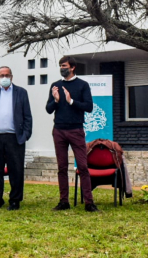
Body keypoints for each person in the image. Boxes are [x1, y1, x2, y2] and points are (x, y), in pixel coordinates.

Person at [47, 56, 99, 212]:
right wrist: (56, 100)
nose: (62, 68)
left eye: (64, 65)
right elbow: (48, 109)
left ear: (72, 67)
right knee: (62, 167)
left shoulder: (82, 85)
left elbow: (89, 107)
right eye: (60, 66)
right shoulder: (55, 85)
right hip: (59, 130)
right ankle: (64, 201)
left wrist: (71, 101)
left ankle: (89, 202)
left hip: (76, 130)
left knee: (83, 166)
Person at [0, 66, 33, 210]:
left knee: (16, 170)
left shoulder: (21, 92)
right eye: (1, 75)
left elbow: (27, 116)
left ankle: (15, 200)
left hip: (15, 138)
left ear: (12, 77)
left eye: (7, 75)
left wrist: (25, 135)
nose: (4, 78)